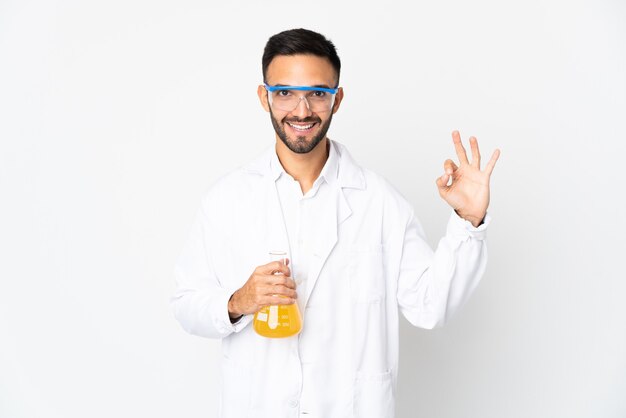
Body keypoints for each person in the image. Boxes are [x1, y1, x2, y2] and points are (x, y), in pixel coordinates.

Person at [171, 28, 500, 418]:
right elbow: (186, 304)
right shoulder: (228, 200)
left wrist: (469, 218)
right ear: (264, 97)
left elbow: (430, 305)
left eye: (317, 93)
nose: (302, 110)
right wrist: (238, 301)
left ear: (337, 99)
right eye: (285, 93)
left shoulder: (380, 202)